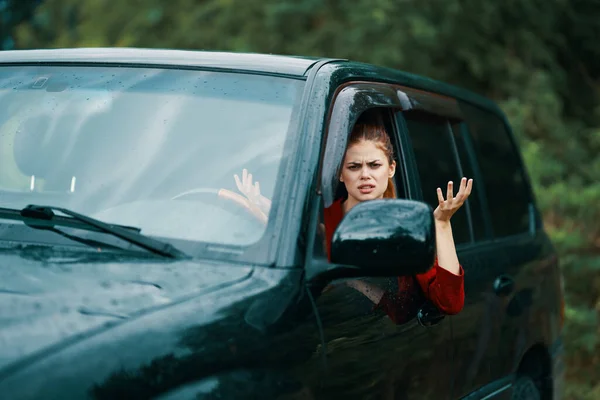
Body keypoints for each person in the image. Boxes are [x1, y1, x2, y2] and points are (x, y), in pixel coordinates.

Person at [218, 119, 472, 323]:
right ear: (340, 173)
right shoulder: (325, 214)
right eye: (354, 167)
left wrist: (441, 224)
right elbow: (303, 246)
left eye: (374, 165)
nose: (365, 175)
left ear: (391, 169)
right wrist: (260, 207)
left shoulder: (404, 224)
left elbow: (449, 302)